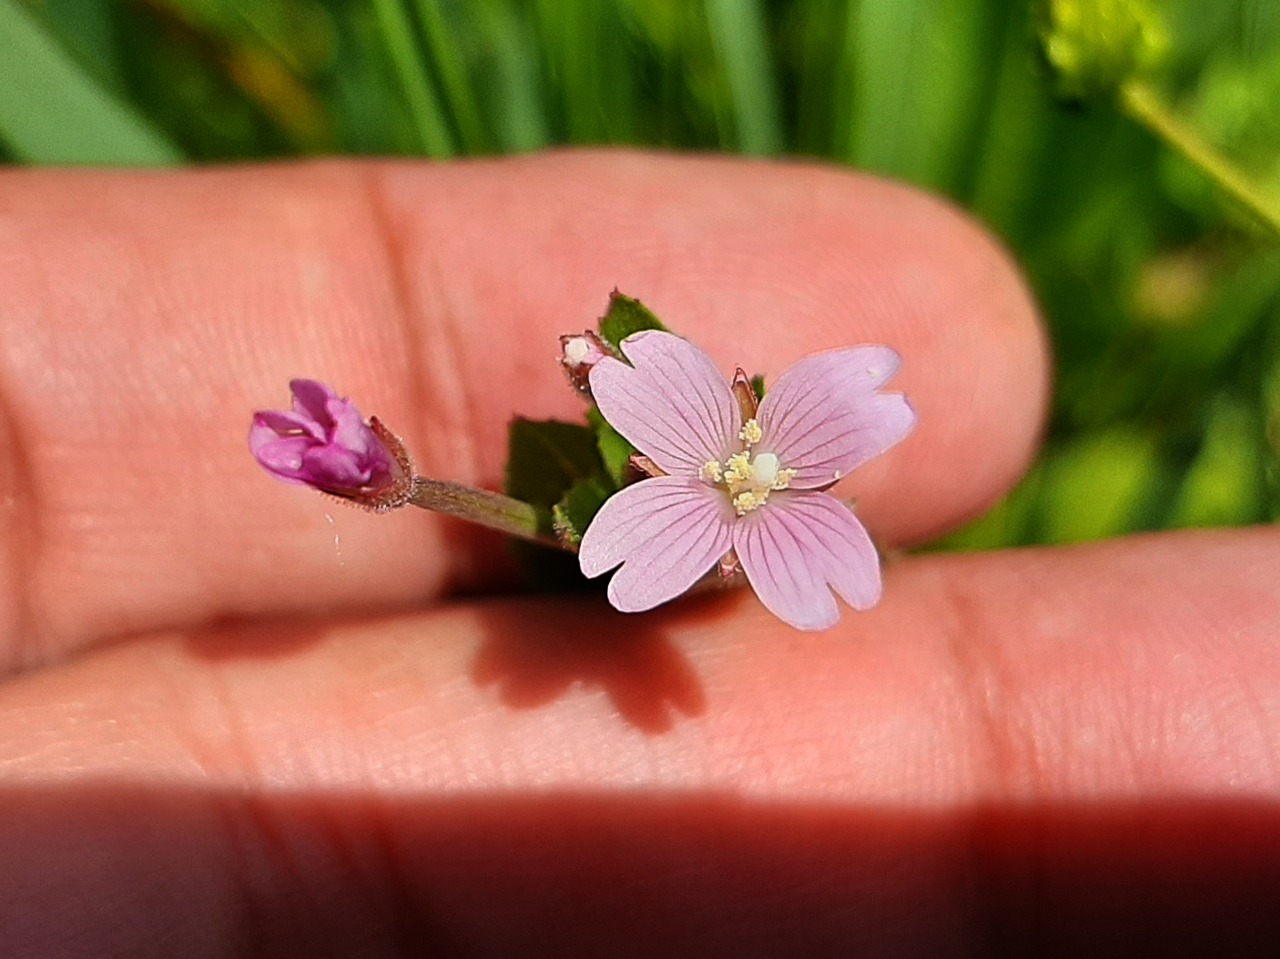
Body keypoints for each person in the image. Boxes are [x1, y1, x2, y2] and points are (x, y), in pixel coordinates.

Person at [0, 153, 1275, 957]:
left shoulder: (773, 482)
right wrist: (644, 455)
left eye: (756, 448)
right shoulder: (681, 470)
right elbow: (620, 534)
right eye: (742, 452)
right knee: (597, 530)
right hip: (642, 498)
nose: (749, 464)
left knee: (657, 522)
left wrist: (708, 489)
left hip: (670, 503)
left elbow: (740, 497)